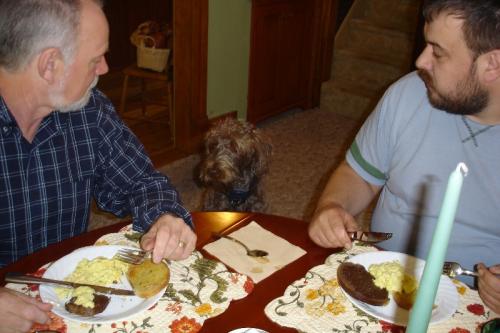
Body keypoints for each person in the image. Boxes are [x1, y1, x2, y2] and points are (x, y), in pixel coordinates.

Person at [0, 0, 196, 330]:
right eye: (95, 58)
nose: (104, 68)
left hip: (71, 301)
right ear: (50, 65)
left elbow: (141, 181)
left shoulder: (88, 112)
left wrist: (165, 216)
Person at [309, 0, 500, 314]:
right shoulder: (408, 93)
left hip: (473, 303)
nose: (421, 61)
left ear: (492, 64)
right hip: (376, 279)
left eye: (438, 52)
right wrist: (332, 206)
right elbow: (358, 174)